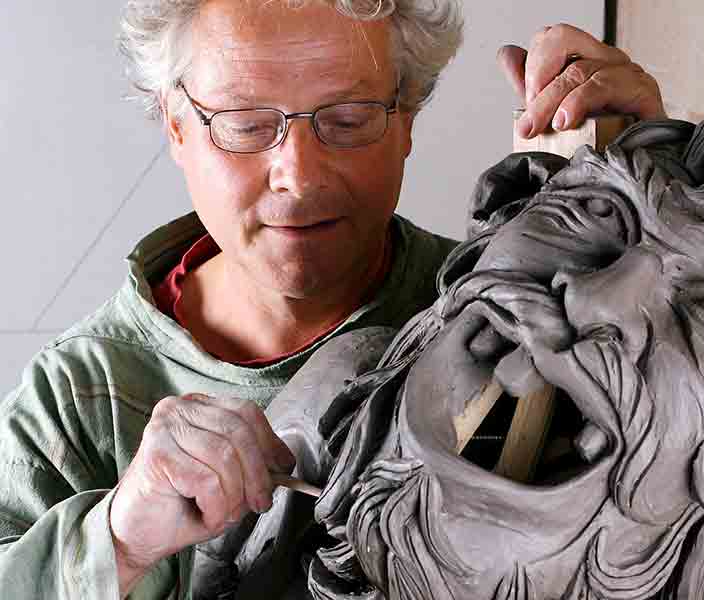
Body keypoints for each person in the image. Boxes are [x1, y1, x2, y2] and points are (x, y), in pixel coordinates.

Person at [0, 1, 665, 598]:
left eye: (348, 120)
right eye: (246, 124)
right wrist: (117, 543)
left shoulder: (513, 314)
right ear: (177, 126)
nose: (299, 174)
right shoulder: (75, 400)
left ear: (407, 119)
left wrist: (660, 204)